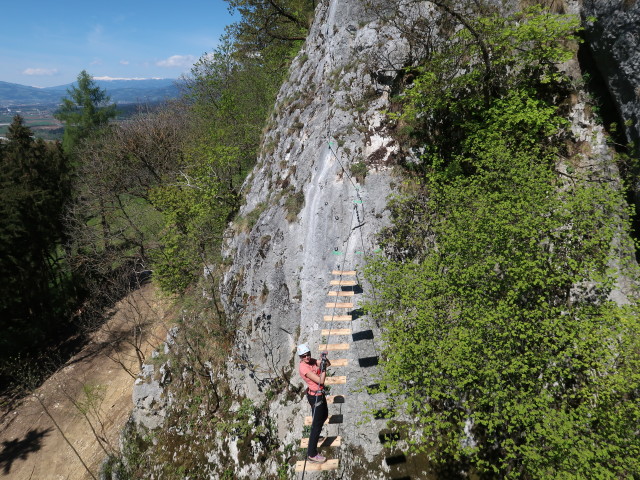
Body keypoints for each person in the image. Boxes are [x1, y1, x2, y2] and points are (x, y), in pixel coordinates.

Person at [297, 343, 331, 463]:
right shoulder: (304, 368)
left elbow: (327, 364)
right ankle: (312, 453)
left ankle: (315, 436)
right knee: (316, 425)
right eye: (304, 356)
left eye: (308, 354)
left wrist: (323, 360)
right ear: (300, 357)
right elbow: (320, 381)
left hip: (318, 395)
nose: (307, 357)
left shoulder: (310, 361)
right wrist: (323, 368)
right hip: (315, 397)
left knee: (324, 415)